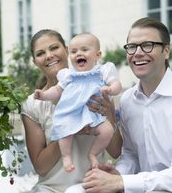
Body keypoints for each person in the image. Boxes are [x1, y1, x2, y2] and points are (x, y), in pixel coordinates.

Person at [65, 17, 172, 193]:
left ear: (166, 51)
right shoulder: (128, 100)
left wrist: (122, 182)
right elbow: (130, 154)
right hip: (141, 186)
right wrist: (117, 174)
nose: (137, 53)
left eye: (147, 45)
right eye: (132, 47)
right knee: (75, 191)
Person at [21, 29, 122, 193]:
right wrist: (69, 126)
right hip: (50, 189)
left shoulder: (97, 90)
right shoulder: (33, 104)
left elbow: (116, 151)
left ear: (66, 50)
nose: (49, 55)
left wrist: (108, 114)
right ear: (35, 61)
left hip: (92, 186)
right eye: (40, 53)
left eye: (54, 48)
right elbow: (41, 167)